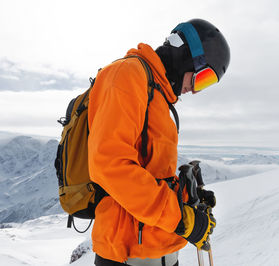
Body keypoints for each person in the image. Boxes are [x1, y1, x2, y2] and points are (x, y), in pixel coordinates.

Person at [88, 18, 230, 265]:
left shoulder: (158, 95)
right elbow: (110, 166)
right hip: (126, 256)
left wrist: (189, 200)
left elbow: (153, 176)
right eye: (203, 77)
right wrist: (181, 219)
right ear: (187, 55)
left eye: (207, 84)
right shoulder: (127, 75)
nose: (196, 90)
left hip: (162, 252)